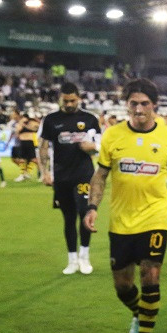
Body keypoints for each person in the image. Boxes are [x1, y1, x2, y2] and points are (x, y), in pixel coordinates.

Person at [84, 78, 167, 333]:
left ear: (154, 105)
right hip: (121, 222)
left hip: (155, 218)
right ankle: (139, 314)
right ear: (126, 105)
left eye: (144, 103)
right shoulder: (112, 136)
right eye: (133, 104)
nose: (139, 109)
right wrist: (92, 207)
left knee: (151, 276)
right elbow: (100, 176)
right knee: (122, 286)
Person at [38, 82, 101, 275]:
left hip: (84, 175)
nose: (69, 104)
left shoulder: (90, 119)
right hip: (61, 177)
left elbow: (101, 145)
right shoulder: (51, 120)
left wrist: (93, 147)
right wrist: (44, 172)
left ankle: (84, 256)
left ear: (78, 98)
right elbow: (43, 147)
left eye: (72, 100)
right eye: (65, 101)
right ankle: (72, 259)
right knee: (68, 217)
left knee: (84, 213)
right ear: (60, 99)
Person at [12, 112, 40, 182]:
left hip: (30, 142)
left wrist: (29, 124)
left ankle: (32, 173)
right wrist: (22, 123)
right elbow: (17, 132)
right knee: (22, 159)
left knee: (34, 159)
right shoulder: (20, 124)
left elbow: (38, 127)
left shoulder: (33, 123)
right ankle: (23, 175)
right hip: (22, 143)